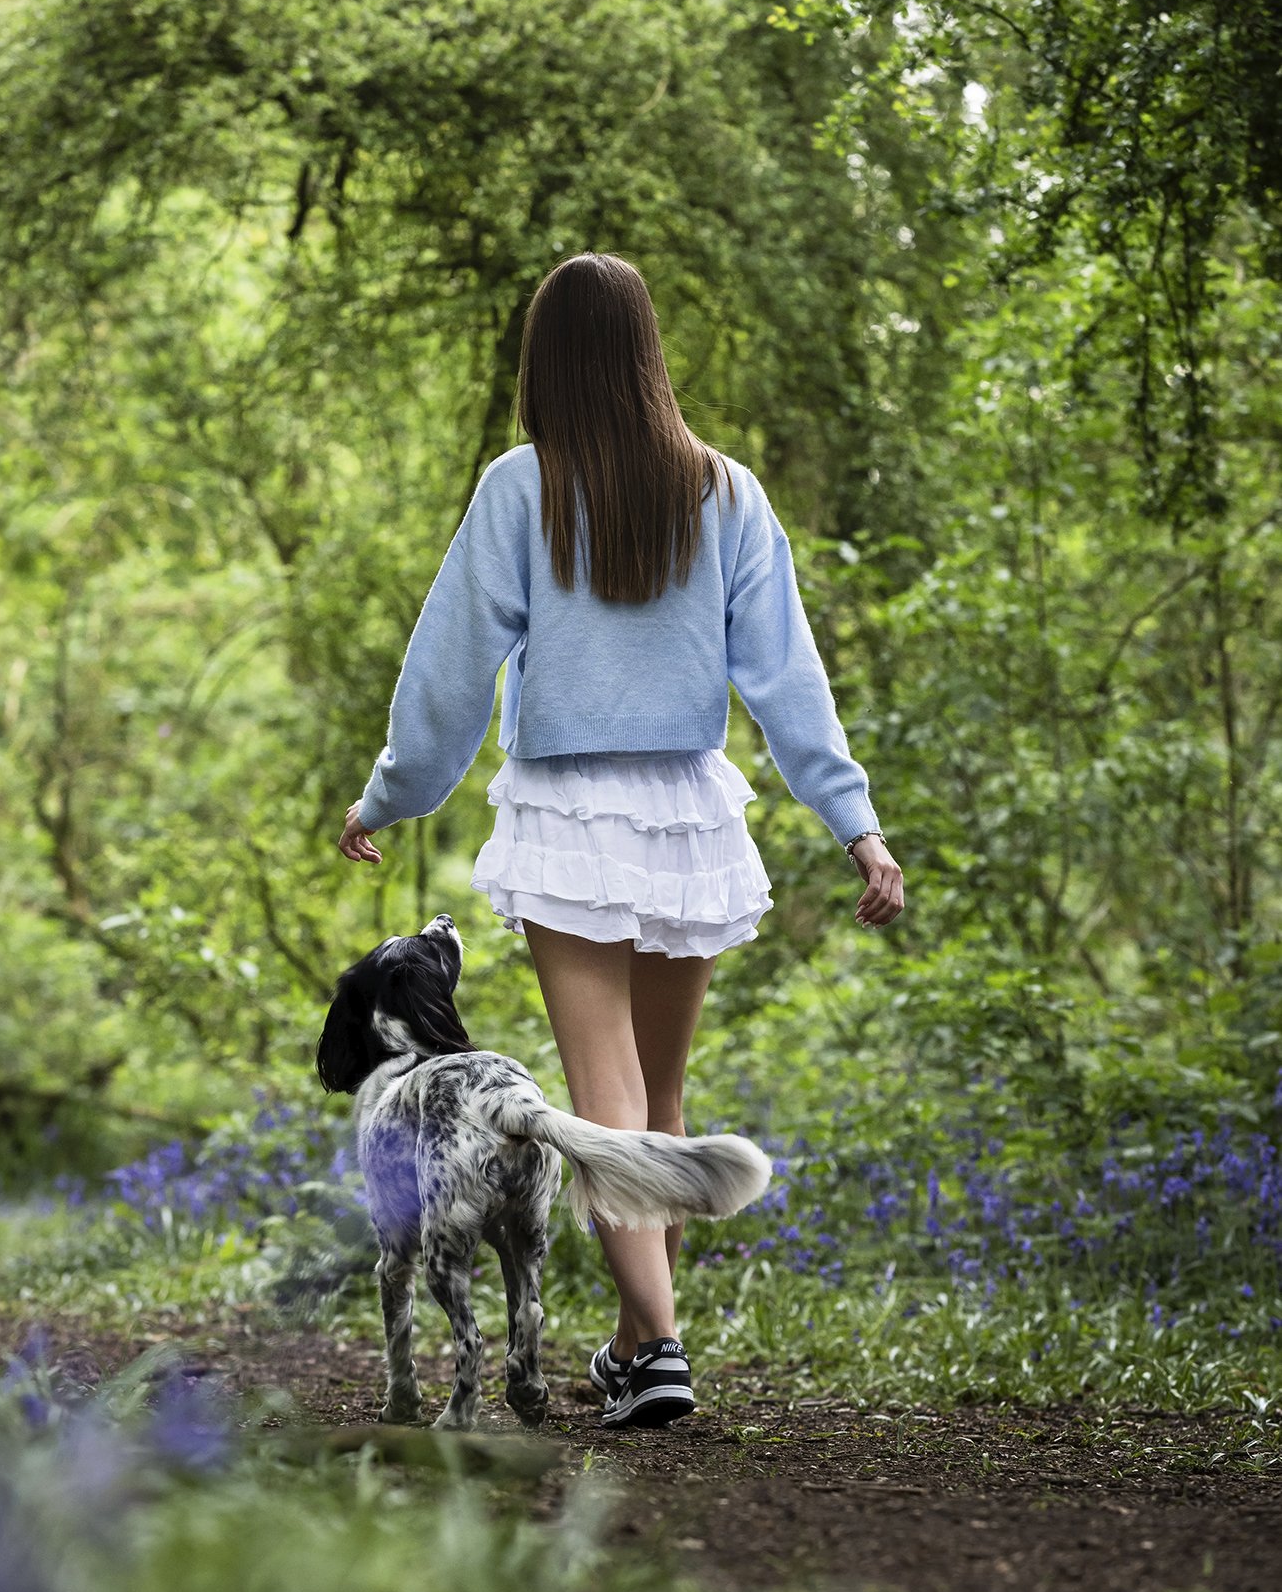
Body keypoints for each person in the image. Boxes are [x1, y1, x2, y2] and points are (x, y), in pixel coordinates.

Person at [337, 253, 903, 1426]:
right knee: (659, 1096)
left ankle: (661, 1350)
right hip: (688, 811)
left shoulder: (521, 486)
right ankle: (635, 1345)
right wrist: (857, 825)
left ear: (546, 361)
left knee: (606, 1094)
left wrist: (388, 795)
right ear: (647, 352)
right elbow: (786, 678)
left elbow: (446, 673)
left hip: (570, 814)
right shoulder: (725, 491)